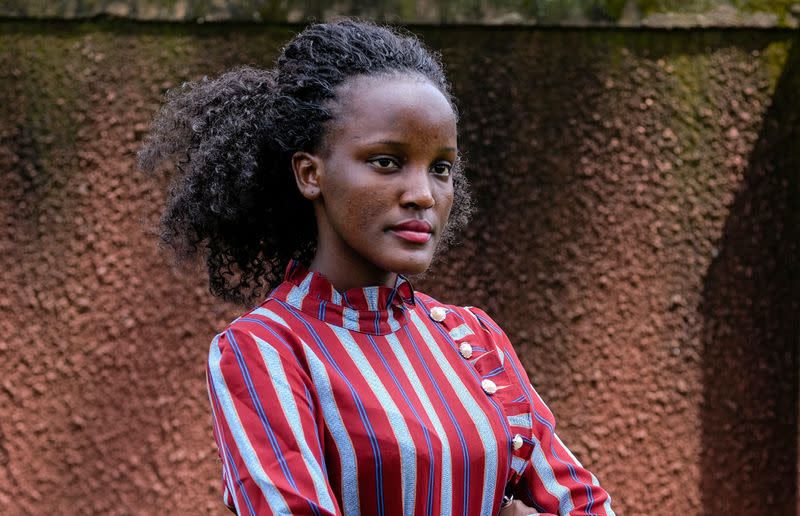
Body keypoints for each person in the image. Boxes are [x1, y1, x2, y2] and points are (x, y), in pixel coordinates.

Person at [138, 19, 614, 516]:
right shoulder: (266, 352)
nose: (423, 194)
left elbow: (586, 506)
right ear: (310, 173)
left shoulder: (473, 338)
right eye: (386, 161)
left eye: (441, 167)